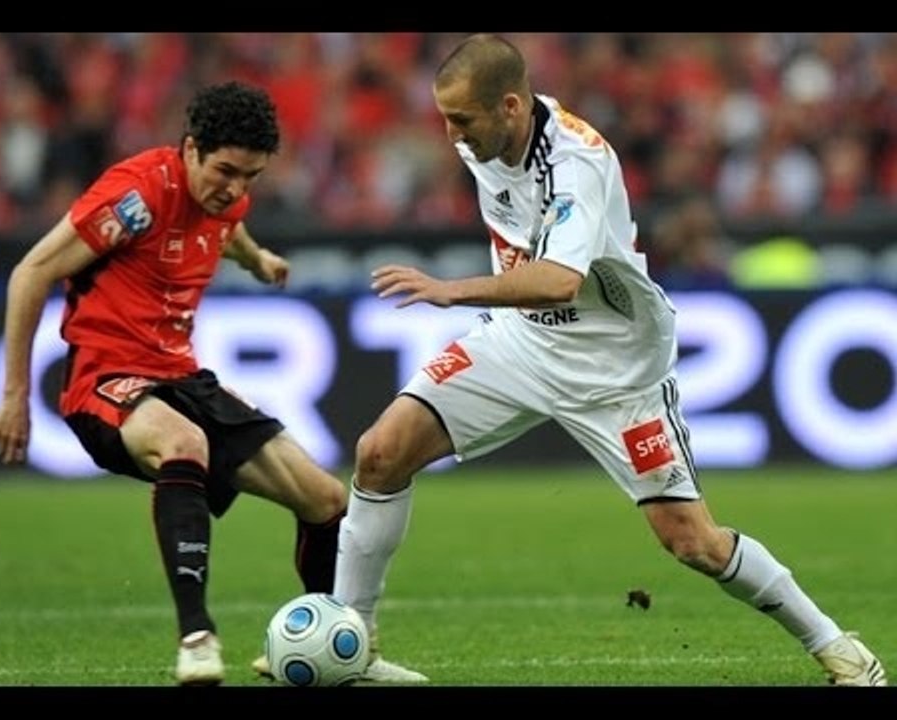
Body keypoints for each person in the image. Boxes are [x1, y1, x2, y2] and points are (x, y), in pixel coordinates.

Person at [329, 34, 888, 687]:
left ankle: (839, 648)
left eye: (461, 119)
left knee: (692, 542)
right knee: (379, 452)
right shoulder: (478, 139)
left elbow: (560, 279)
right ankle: (351, 647)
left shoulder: (578, 161)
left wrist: (451, 289)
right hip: (523, 342)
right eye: (445, 116)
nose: (448, 133)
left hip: (615, 369)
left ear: (510, 106)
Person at [0, 81, 416, 686]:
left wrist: (258, 258)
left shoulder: (226, 199)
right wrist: (13, 396)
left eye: (252, 176)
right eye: (225, 171)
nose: (237, 188)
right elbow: (31, 271)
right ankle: (196, 638)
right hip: (107, 379)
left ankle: (340, 655)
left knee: (326, 500)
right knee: (185, 444)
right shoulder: (136, 195)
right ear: (190, 150)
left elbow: (228, 227)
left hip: (183, 376)